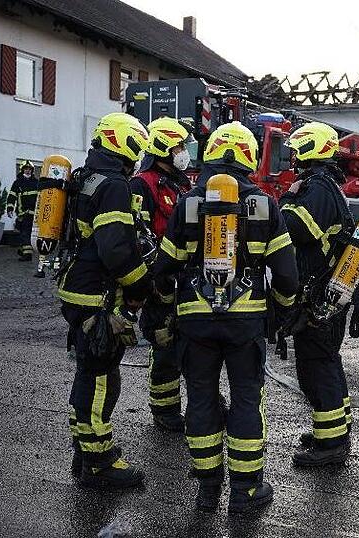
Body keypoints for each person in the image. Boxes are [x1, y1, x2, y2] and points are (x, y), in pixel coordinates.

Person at [150, 121, 298, 513]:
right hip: (245, 322)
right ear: (249, 157)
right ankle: (245, 492)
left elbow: (164, 268)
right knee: (247, 398)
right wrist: (279, 312)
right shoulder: (265, 205)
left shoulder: (187, 203)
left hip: (195, 322)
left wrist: (171, 306)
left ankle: (207, 489)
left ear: (211, 153)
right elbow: (287, 274)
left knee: (200, 398)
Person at [58, 112, 152, 489]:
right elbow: (115, 250)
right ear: (123, 143)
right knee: (100, 378)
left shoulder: (87, 176)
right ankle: (99, 462)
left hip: (78, 289)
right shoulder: (113, 185)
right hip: (98, 295)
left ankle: (83, 451)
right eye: (136, 147)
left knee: (88, 372)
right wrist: (140, 285)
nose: (138, 156)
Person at [278, 122, 359, 467]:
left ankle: (330, 445)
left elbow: (295, 227)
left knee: (316, 366)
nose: (293, 158)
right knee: (327, 361)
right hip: (329, 293)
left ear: (310, 150)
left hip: (319, 296)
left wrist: (287, 197)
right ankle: (335, 428)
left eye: (296, 151)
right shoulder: (329, 185)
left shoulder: (316, 187)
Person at [129, 116, 195, 432]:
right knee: (165, 344)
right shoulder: (142, 183)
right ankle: (165, 409)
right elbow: (138, 236)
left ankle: (202, 402)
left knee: (193, 344)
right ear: (163, 148)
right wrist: (154, 279)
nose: (183, 152)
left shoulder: (181, 184)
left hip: (186, 279)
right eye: (179, 146)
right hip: (160, 281)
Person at [7, 160, 38, 261]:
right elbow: (12, 196)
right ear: (22, 170)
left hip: (33, 213)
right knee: (22, 232)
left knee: (26, 233)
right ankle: (23, 249)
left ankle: (27, 254)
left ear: (32, 170)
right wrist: (10, 208)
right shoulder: (18, 183)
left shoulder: (36, 182)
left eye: (29, 169)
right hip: (22, 213)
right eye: (26, 169)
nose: (28, 171)